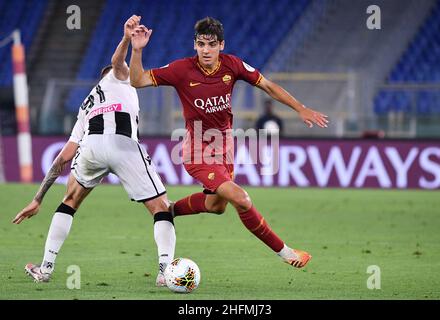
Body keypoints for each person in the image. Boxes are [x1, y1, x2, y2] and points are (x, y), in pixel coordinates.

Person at [129, 17, 328, 269]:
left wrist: (301, 108)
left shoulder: (232, 65)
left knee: (216, 205)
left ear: (221, 45)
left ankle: (168, 211)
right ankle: (287, 252)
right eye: (201, 44)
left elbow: (267, 85)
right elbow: (137, 80)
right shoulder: (181, 70)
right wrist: (136, 50)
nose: (205, 50)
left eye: (211, 44)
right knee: (241, 198)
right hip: (197, 150)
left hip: (224, 148)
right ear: (195, 45)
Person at [12, 15, 175, 287]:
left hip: (92, 147)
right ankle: (165, 270)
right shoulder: (118, 77)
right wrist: (127, 39)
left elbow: (62, 158)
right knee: (162, 208)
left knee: (70, 200)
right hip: (122, 145)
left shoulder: (86, 105)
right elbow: (116, 63)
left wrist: (38, 198)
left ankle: (45, 268)